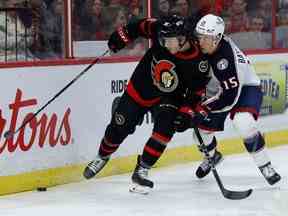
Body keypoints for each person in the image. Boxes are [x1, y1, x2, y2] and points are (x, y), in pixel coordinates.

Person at [83, 14, 211, 194]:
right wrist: (121, 36)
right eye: (163, 40)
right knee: (119, 126)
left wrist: (186, 112)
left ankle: (142, 168)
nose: (166, 44)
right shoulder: (160, 28)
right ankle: (102, 156)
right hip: (141, 88)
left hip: (170, 97)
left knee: (165, 130)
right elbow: (140, 26)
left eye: (170, 41)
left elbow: (197, 92)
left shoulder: (200, 61)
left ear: (183, 38)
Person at [175, 14, 281, 185]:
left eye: (204, 38)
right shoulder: (204, 45)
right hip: (218, 89)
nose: (199, 41)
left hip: (245, 88)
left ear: (216, 39)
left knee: (243, 123)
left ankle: (265, 165)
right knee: (200, 133)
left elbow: (229, 98)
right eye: (198, 36)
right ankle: (212, 156)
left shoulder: (226, 60)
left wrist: (203, 108)